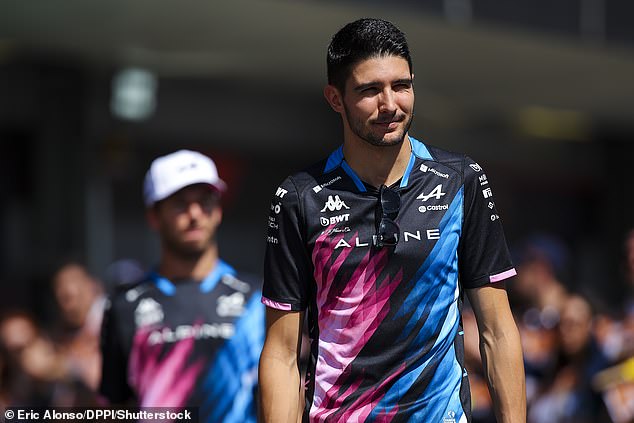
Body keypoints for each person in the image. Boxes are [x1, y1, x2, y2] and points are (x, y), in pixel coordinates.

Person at [259, 18, 526, 423]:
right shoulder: (300, 197)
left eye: (401, 85)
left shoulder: (461, 180)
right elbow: (280, 354)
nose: (390, 104)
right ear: (335, 98)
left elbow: (497, 331)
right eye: (369, 90)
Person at [99, 150, 265, 422]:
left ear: (219, 211)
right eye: (180, 203)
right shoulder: (123, 306)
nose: (195, 213)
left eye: (205, 201)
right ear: (154, 216)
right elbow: (113, 407)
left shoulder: (256, 298)